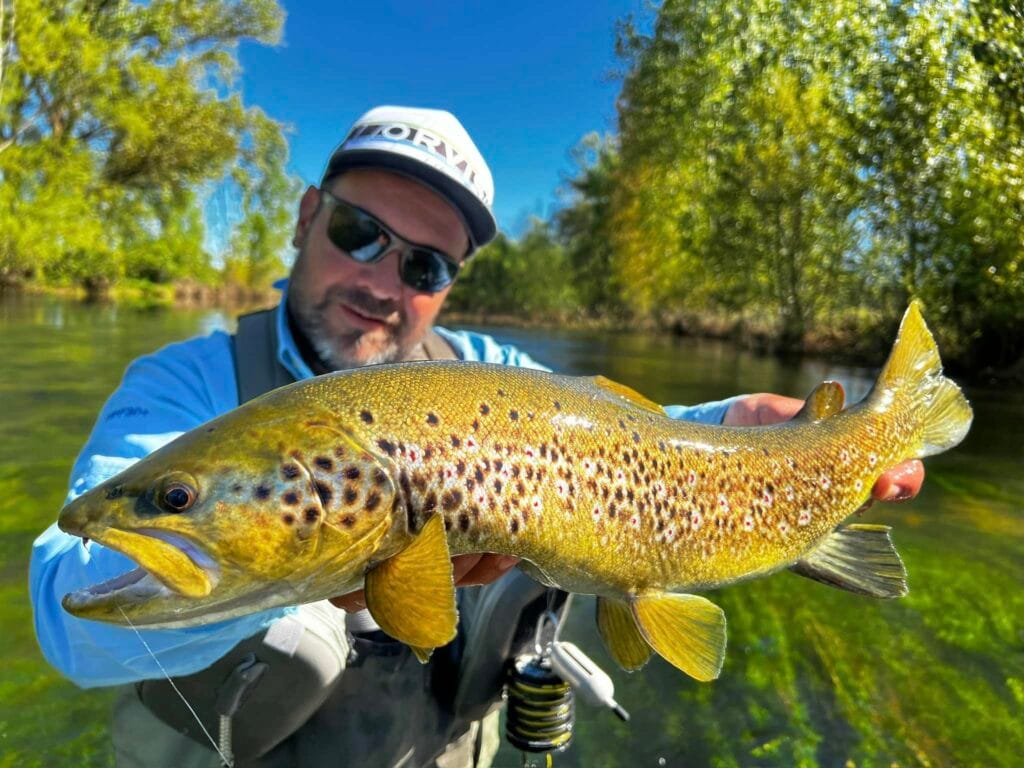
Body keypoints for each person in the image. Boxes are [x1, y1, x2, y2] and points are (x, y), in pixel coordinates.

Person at [30, 105, 924, 768]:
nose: (384, 282)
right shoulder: (185, 390)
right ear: (306, 217)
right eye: (358, 232)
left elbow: (621, 436)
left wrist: (734, 425)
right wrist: (285, 570)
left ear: (450, 285)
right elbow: (67, 606)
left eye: (424, 265)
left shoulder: (491, 373)